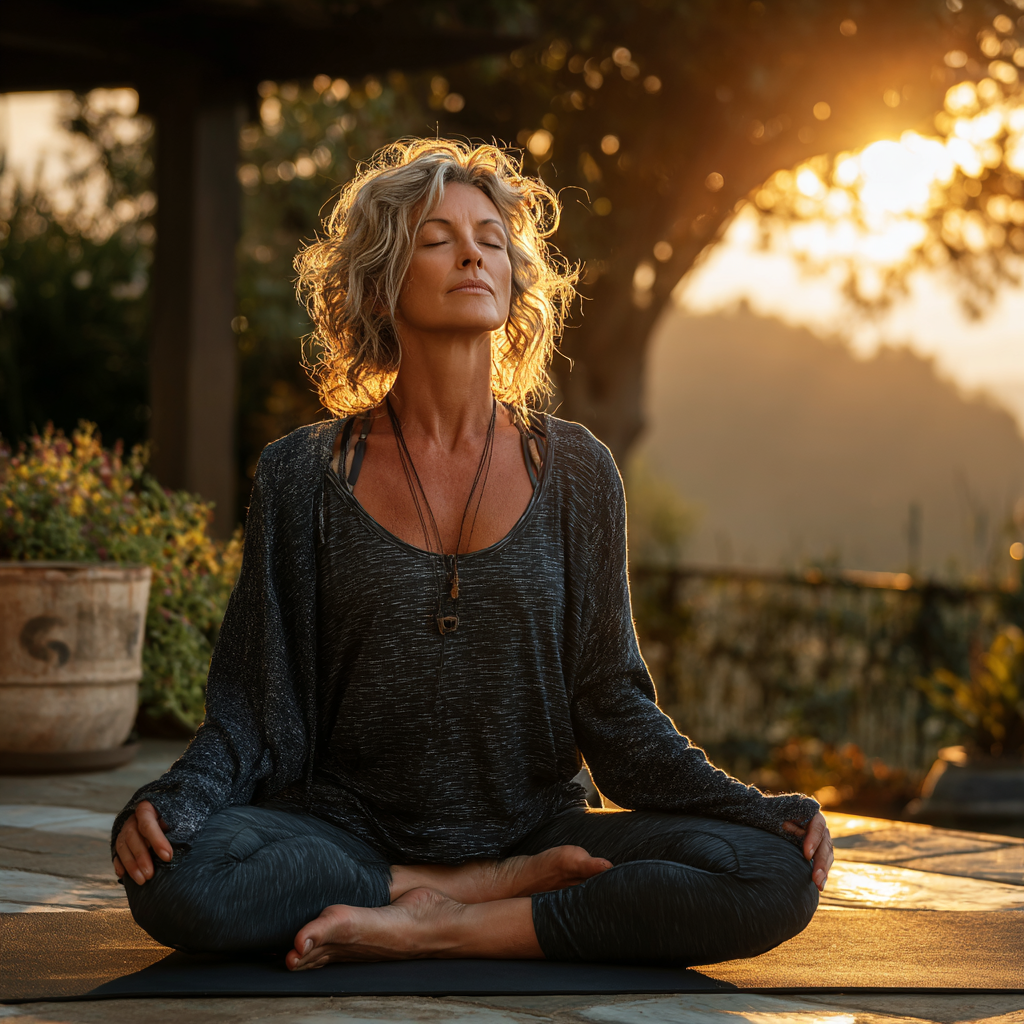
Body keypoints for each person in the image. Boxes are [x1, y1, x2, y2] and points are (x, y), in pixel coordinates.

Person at [111, 138, 832, 971]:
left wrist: (753, 808)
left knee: (770, 873)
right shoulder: (302, 475)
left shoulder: (577, 471)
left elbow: (614, 708)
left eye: (490, 239)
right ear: (383, 279)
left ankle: (442, 925)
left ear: (515, 276)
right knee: (177, 875)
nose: (471, 254)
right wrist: (175, 802)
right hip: (345, 831)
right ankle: (465, 889)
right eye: (436, 237)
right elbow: (252, 709)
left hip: (541, 829)